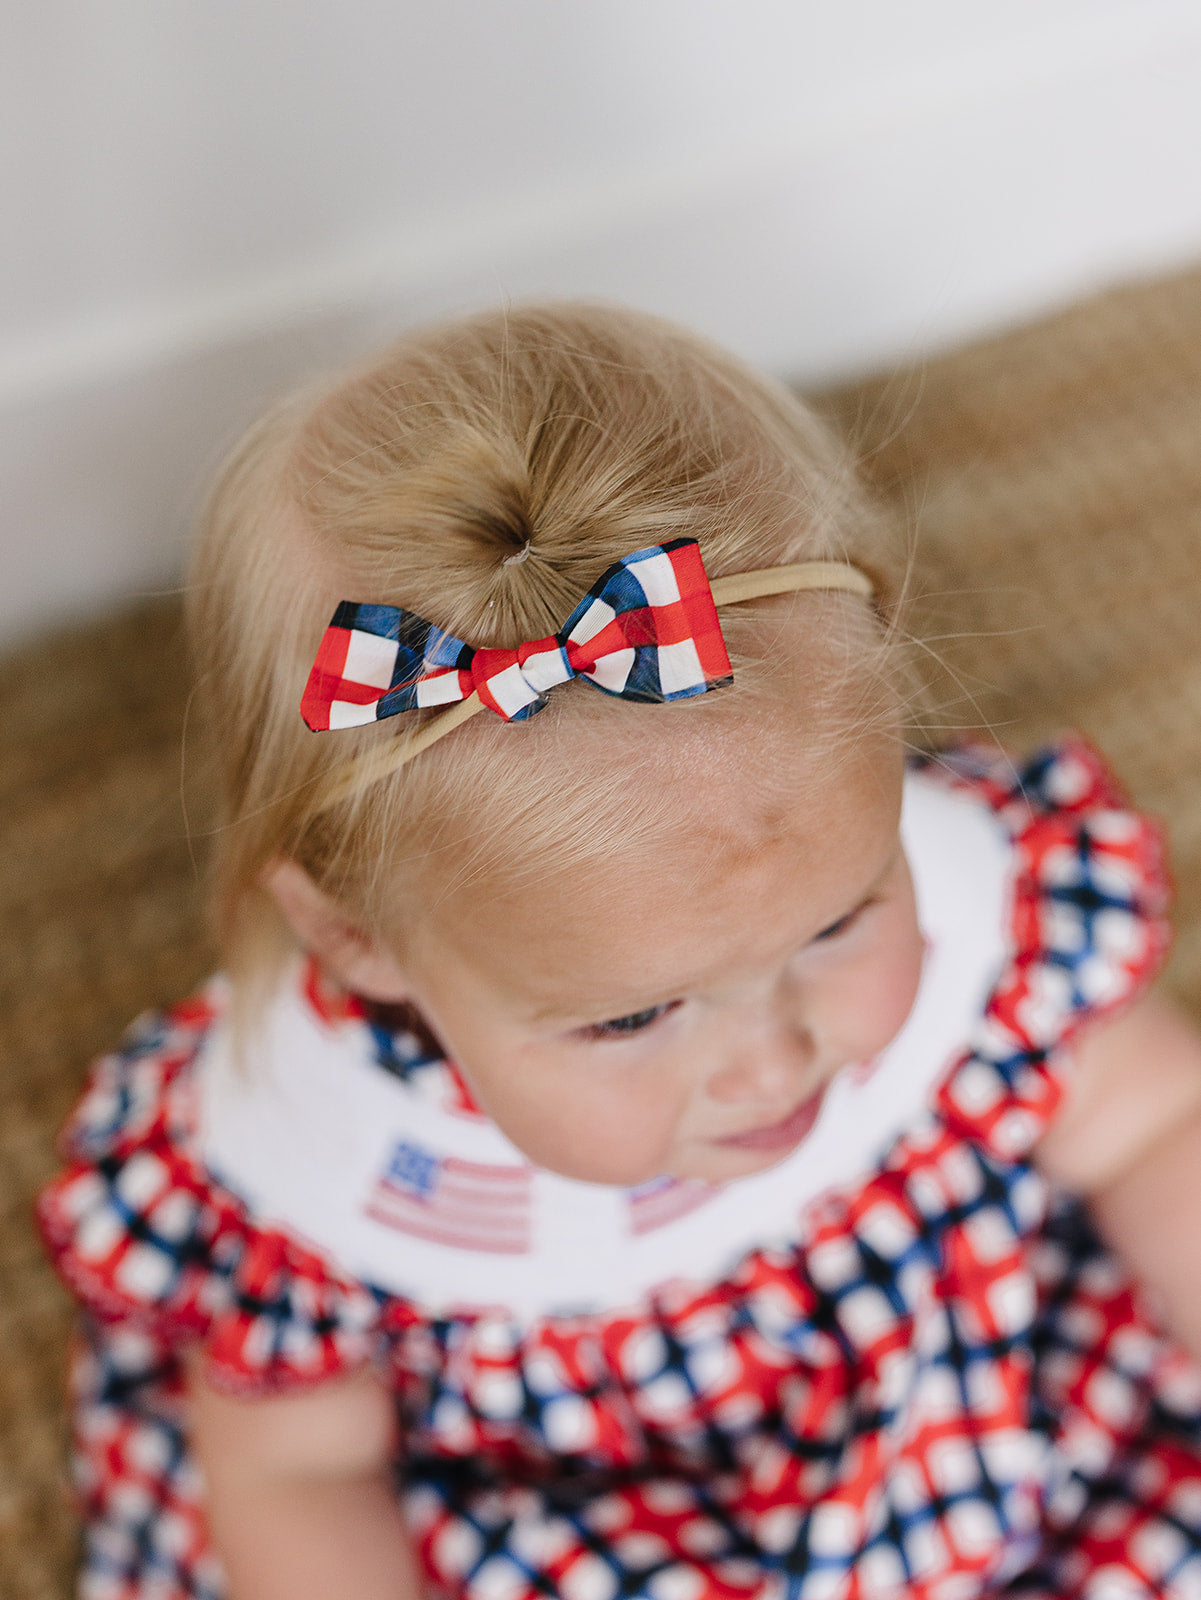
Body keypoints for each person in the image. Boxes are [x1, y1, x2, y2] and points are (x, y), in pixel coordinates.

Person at [39, 303, 1201, 1600]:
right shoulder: (317, 1169)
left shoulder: (988, 923)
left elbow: (1155, 1124)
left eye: (834, 924)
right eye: (631, 1019)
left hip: (967, 1435)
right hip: (591, 1528)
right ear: (356, 939)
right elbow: (296, 1477)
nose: (771, 1064)